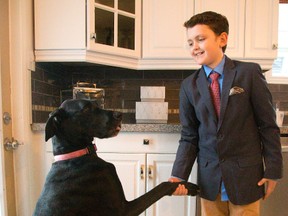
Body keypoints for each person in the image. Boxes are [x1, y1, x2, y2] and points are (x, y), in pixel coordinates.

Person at [169, 11, 283, 216]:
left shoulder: (249, 73)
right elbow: (189, 137)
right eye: (189, 42)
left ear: (222, 39)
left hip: (246, 179)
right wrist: (178, 175)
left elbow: (267, 125)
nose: (194, 47)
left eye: (200, 39)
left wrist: (273, 170)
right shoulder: (188, 86)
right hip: (209, 182)